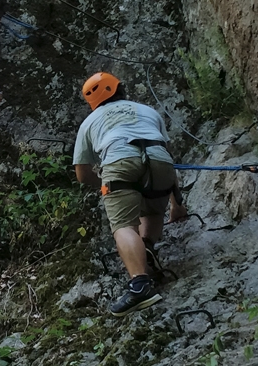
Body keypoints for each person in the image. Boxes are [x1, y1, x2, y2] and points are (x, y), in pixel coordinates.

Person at [73, 72, 187, 316]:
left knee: (123, 225)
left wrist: (106, 183)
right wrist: (177, 203)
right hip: (160, 163)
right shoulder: (148, 111)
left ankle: (139, 285)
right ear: (119, 89)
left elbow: (82, 174)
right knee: (153, 209)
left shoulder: (90, 121)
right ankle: (145, 249)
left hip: (119, 161)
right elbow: (166, 156)